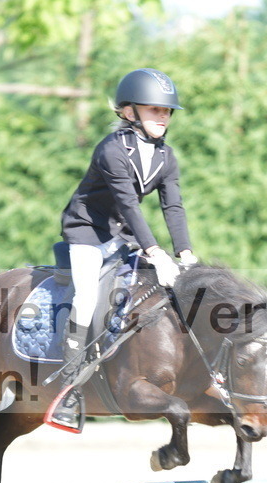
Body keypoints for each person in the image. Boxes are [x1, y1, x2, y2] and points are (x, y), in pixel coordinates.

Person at [44, 67, 198, 432]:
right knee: (85, 297)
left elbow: (172, 207)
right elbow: (129, 204)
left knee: (153, 292)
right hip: (87, 231)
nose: (163, 117)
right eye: (153, 110)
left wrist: (186, 254)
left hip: (122, 234)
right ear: (130, 112)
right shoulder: (112, 150)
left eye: (166, 111)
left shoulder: (166, 156)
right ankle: (68, 390)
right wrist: (157, 252)